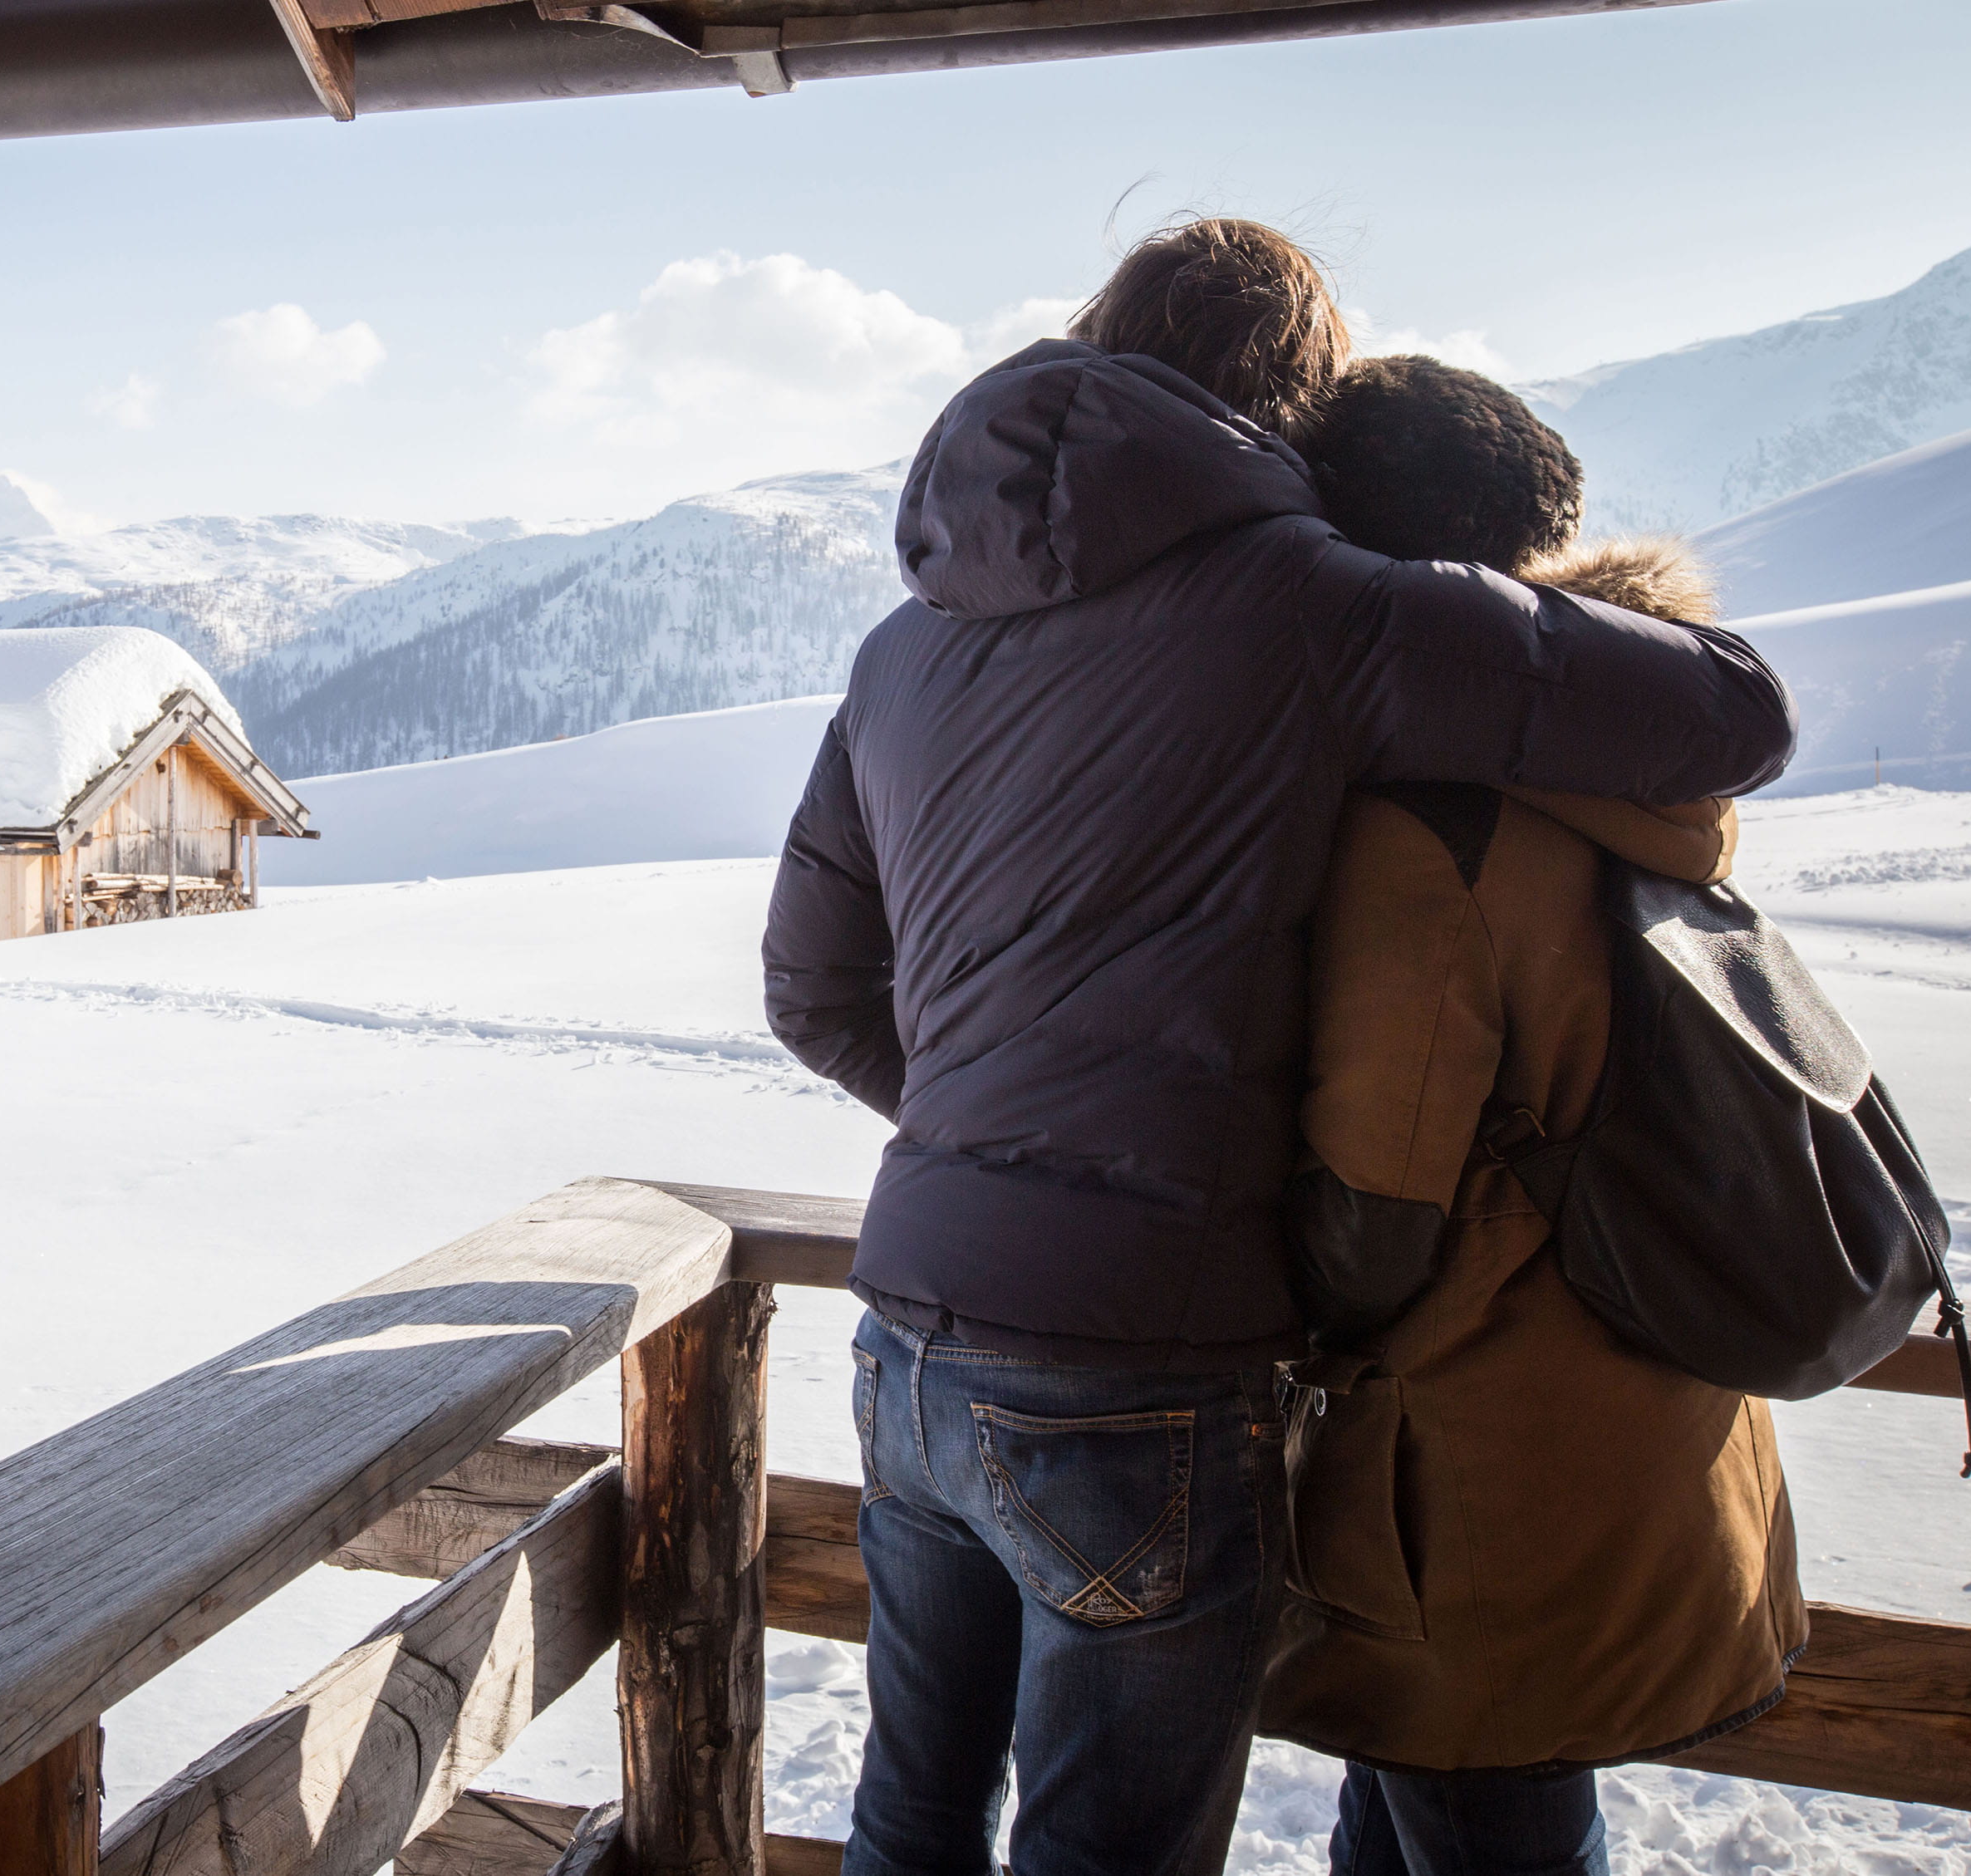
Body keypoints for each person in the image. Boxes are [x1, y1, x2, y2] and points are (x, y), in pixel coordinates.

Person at [762, 220, 1796, 1876]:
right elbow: (1733, 712)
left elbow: (814, 985)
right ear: (1296, 401)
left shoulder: (900, 648)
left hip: (903, 1339)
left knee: (909, 1810)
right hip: (1134, 1364)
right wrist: (1126, 1180)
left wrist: (1000, 1140)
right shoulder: (1316, 606)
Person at [1262, 356, 1803, 1876]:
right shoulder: (1640, 761)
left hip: (1479, 1478)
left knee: (1487, 1824)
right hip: (1652, 1421)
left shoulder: (1434, 820)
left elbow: (1375, 1214)